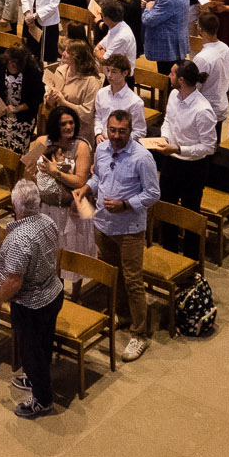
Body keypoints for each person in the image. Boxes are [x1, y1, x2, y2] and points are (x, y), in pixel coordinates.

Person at [92, 107, 160, 361]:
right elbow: (98, 178)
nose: (116, 136)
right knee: (113, 275)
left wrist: (125, 204)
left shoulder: (142, 158)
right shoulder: (101, 149)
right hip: (104, 224)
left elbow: (153, 194)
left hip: (129, 230)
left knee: (132, 281)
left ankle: (139, 334)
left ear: (131, 130)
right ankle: (122, 314)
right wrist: (86, 188)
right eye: (112, 130)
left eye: (122, 131)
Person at [0, 179, 67, 419]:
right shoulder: (47, 221)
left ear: (15, 206)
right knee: (43, 344)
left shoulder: (18, 239)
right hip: (53, 293)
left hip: (31, 305)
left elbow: (13, 282)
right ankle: (37, 379)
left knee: (31, 353)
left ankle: (42, 399)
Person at [146, 60, 217, 241]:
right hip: (171, 162)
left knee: (190, 214)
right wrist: (165, 138)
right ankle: (168, 247)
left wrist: (178, 149)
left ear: (181, 80)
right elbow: (168, 121)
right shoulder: (173, 95)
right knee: (166, 209)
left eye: (172, 73)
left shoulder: (203, 110)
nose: (168, 76)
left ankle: (192, 255)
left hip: (193, 168)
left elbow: (209, 147)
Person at [23, 104, 95, 262]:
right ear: (55, 125)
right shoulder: (42, 141)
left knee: (70, 256)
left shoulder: (81, 146)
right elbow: (27, 171)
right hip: (45, 209)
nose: (69, 127)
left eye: (71, 122)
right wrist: (31, 175)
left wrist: (55, 173)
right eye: (63, 124)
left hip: (69, 211)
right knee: (47, 255)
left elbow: (80, 181)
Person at [0, 45, 45, 154]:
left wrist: (17, 109)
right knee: (4, 149)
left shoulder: (32, 69)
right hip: (2, 114)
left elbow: (38, 97)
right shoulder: (0, 62)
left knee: (18, 153)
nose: (14, 67)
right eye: (12, 63)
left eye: (18, 65)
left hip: (24, 118)